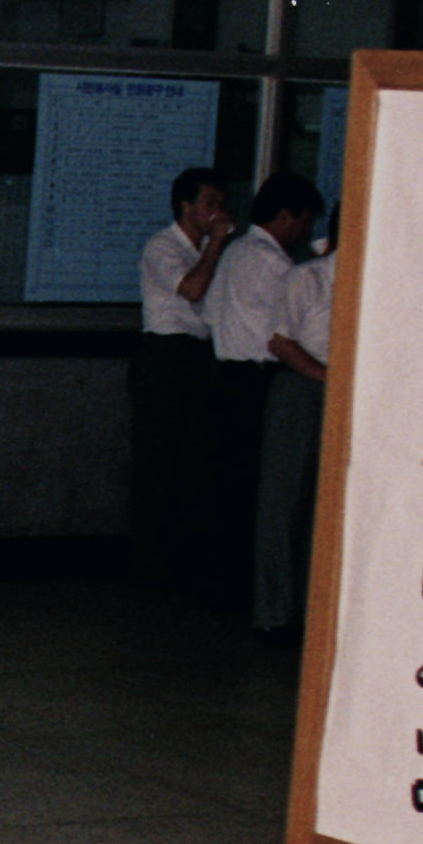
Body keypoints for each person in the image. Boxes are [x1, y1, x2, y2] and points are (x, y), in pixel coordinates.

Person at [206, 171, 322, 619]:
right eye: (305, 221)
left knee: (234, 488)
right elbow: (292, 328)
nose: (306, 231)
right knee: (268, 495)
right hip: (259, 381)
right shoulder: (274, 264)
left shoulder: (238, 251)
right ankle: (260, 596)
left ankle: (231, 589)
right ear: (286, 215)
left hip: (228, 376)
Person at [135, 167, 236, 595]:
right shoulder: (163, 246)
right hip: (165, 354)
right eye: (208, 203)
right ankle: (150, 567)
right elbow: (192, 290)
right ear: (186, 206)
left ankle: (183, 564)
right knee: (159, 461)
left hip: (198, 354)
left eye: (221, 203)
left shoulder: (211, 249)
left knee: (194, 461)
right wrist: (216, 243)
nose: (216, 212)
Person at [249, 197, 338, 642]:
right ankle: (276, 614)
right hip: (306, 390)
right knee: (285, 505)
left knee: (331, 509)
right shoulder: (309, 278)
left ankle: (318, 612)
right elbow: (280, 342)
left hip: (352, 397)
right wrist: (330, 379)